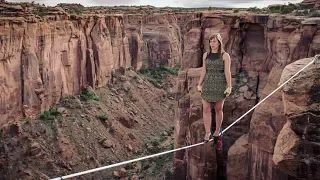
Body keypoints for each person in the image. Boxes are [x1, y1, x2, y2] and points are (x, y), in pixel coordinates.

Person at [197, 33, 232, 143]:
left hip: (220, 83)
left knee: (218, 109)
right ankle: (208, 132)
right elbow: (204, 70)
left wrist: (229, 86)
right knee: (206, 109)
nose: (212, 44)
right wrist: (199, 84)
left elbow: (227, 72)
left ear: (219, 42)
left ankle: (217, 130)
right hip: (208, 84)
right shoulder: (205, 55)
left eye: (214, 41)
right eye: (211, 41)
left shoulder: (225, 55)